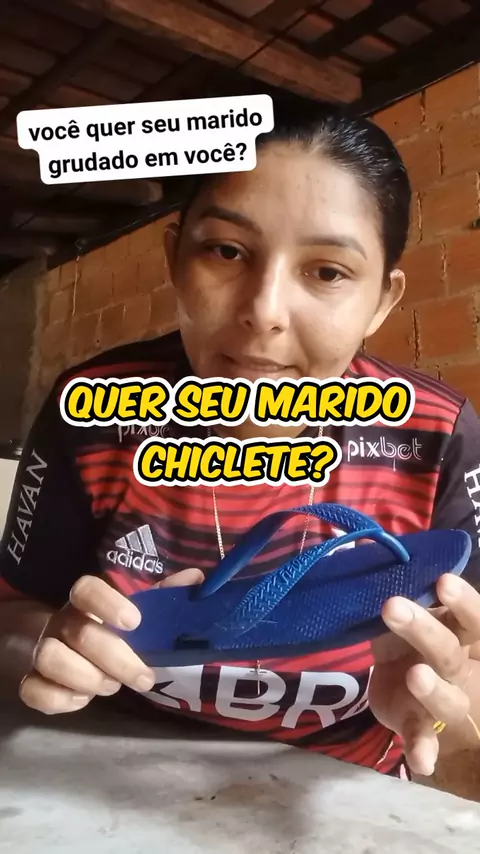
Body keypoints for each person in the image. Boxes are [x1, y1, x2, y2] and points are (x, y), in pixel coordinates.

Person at [1, 99, 480, 782]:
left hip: (341, 792)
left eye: (328, 272)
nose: (263, 311)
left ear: (381, 300)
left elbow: (471, 669)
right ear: (175, 258)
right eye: (226, 251)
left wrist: (445, 701)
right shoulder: (94, 413)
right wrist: (47, 646)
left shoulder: (437, 435)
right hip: (116, 777)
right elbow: (13, 612)